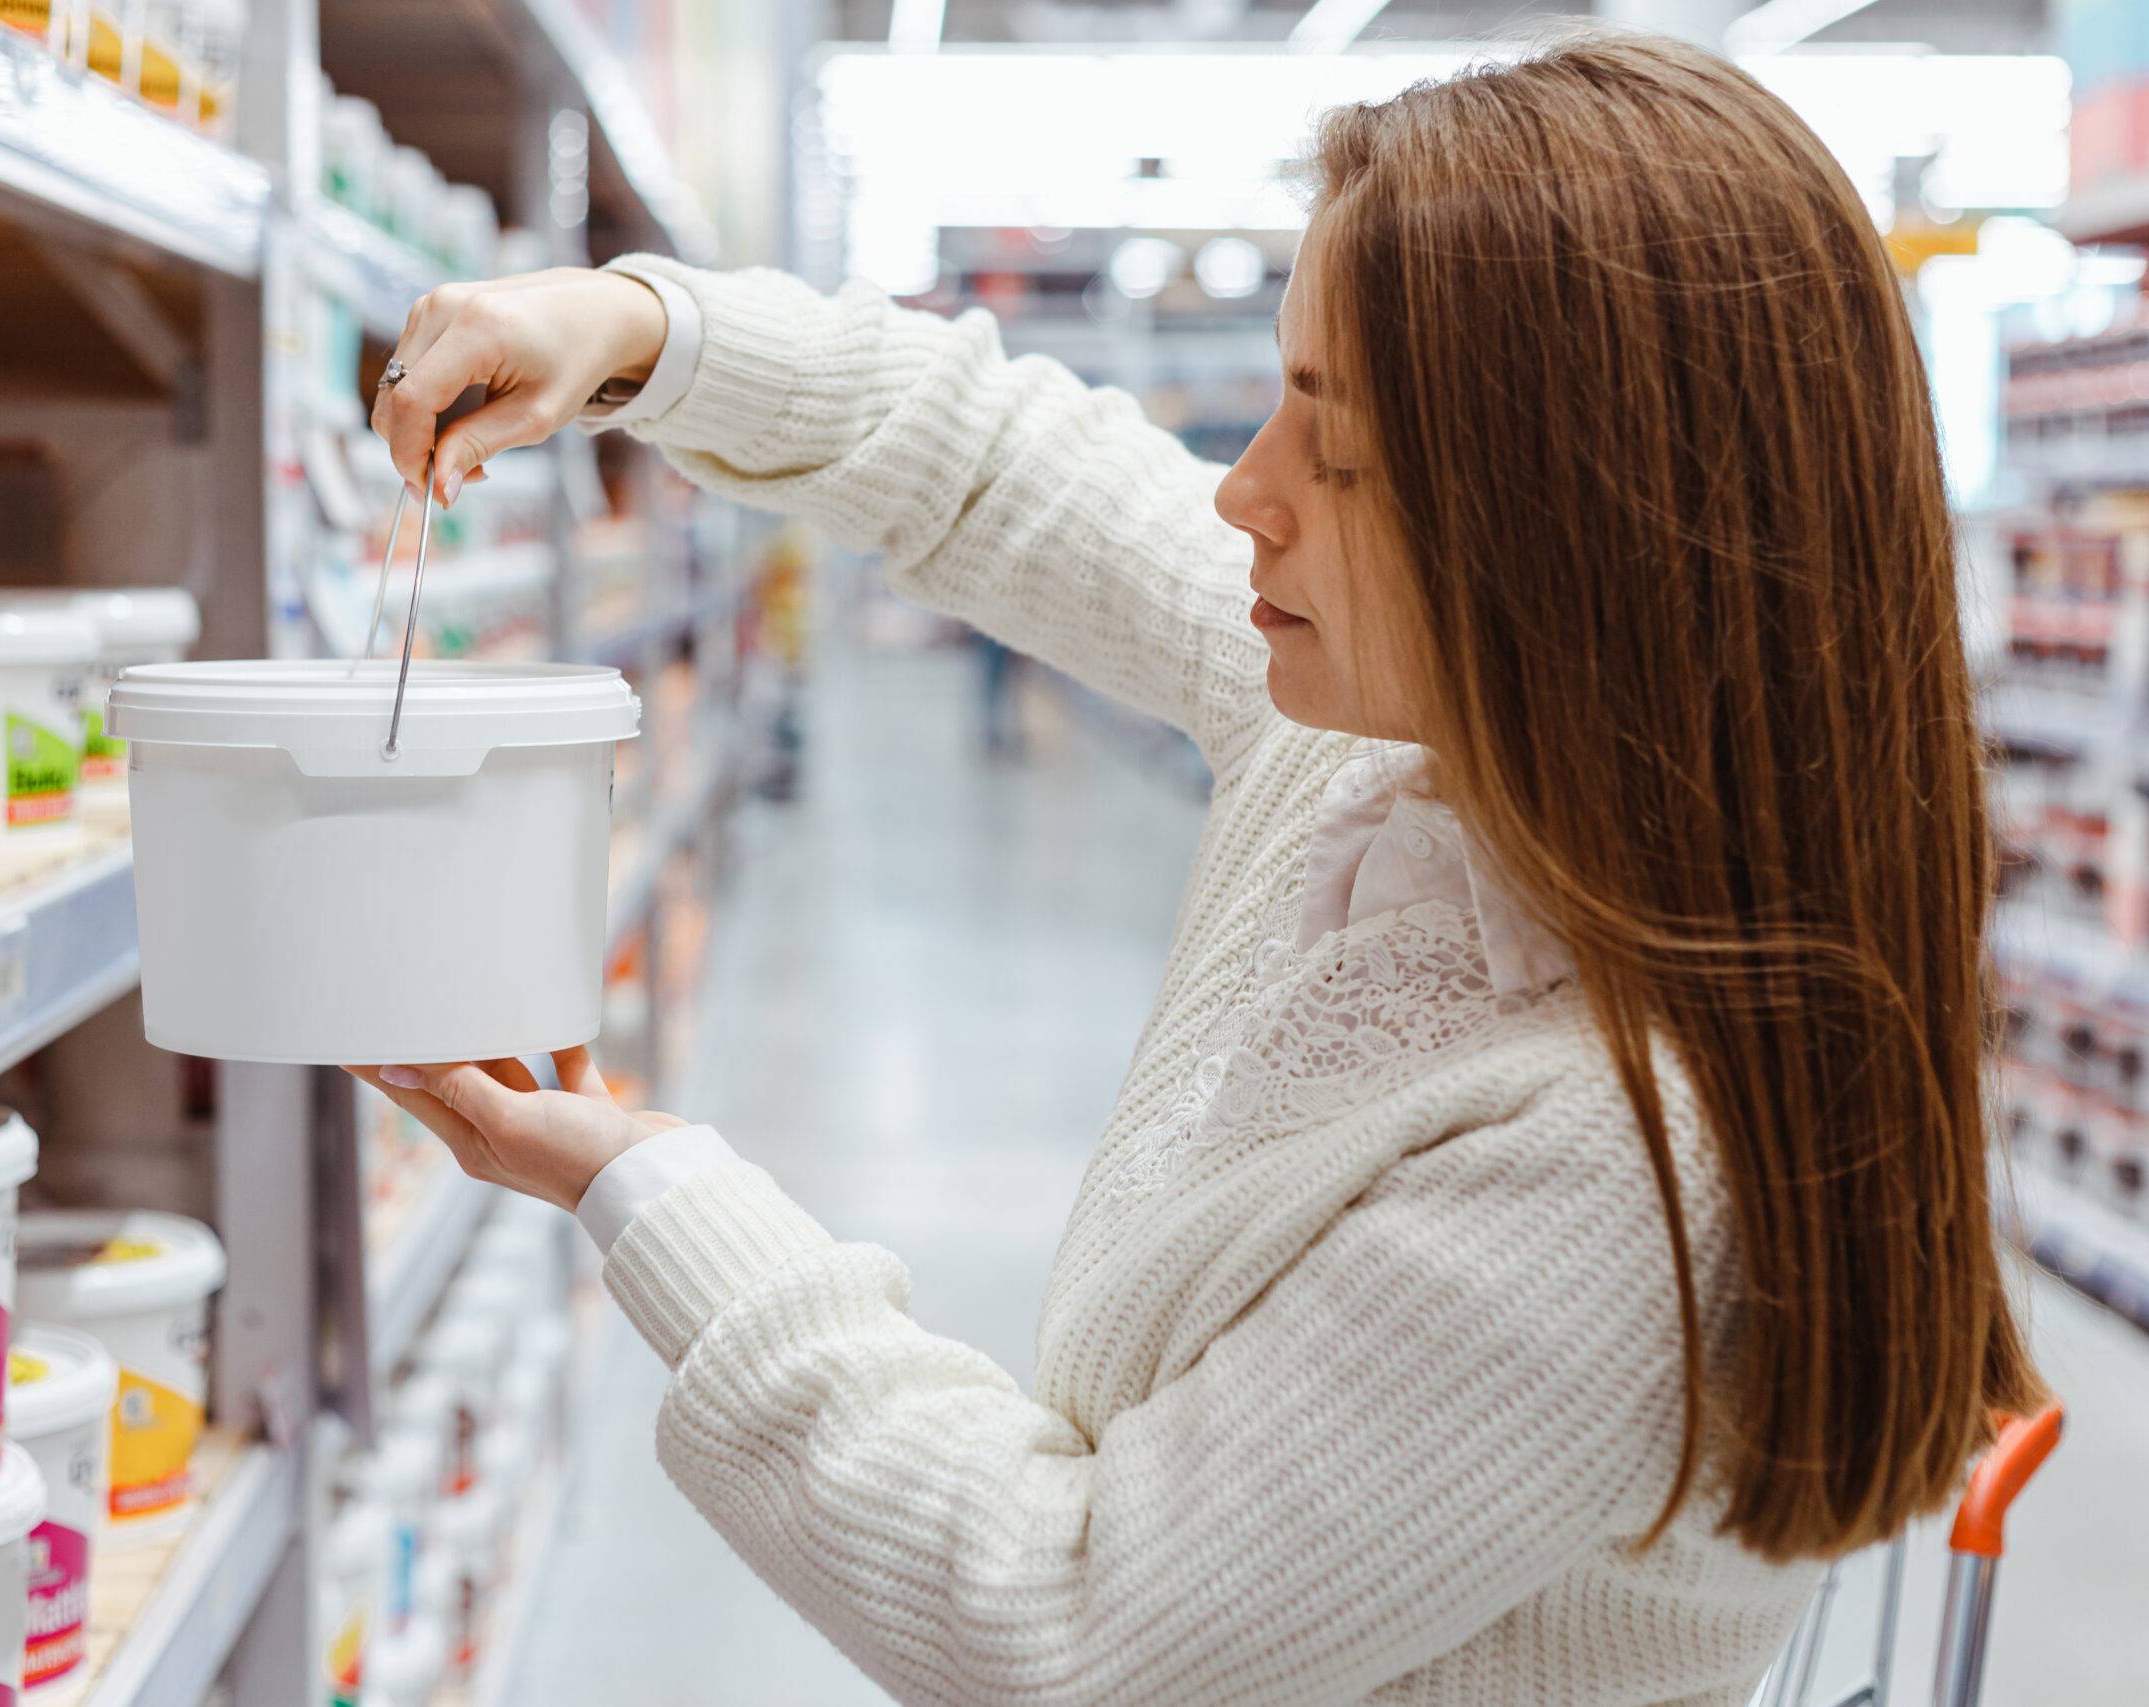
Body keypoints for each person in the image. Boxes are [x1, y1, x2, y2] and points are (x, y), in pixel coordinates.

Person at [355, 29, 2042, 1705]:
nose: (1245, 492)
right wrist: (648, 332)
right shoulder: (1419, 744)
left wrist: (647, 1186)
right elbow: (1007, 466)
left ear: (1572, 536)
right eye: (1280, 401)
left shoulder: (1614, 1171)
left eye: (1345, 451)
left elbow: (1060, 1618)